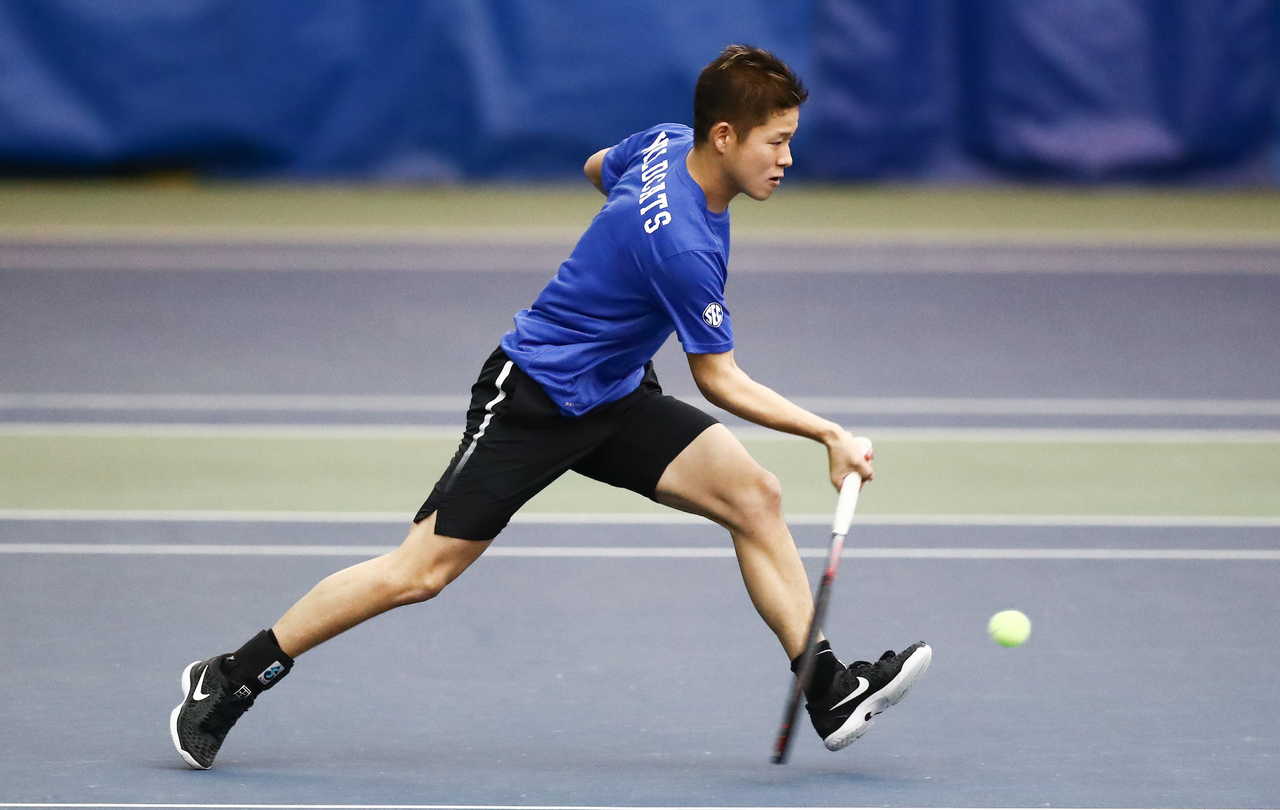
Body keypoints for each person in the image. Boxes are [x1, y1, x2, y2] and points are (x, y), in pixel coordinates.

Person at [170, 44, 931, 770]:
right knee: (419, 572)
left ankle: (826, 689)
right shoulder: (683, 248)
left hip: (616, 393)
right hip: (534, 396)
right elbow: (720, 380)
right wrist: (827, 432)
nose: (788, 160)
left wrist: (615, 267)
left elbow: (600, 166)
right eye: (777, 142)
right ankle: (235, 675)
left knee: (753, 496)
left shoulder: (669, 144)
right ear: (725, 136)